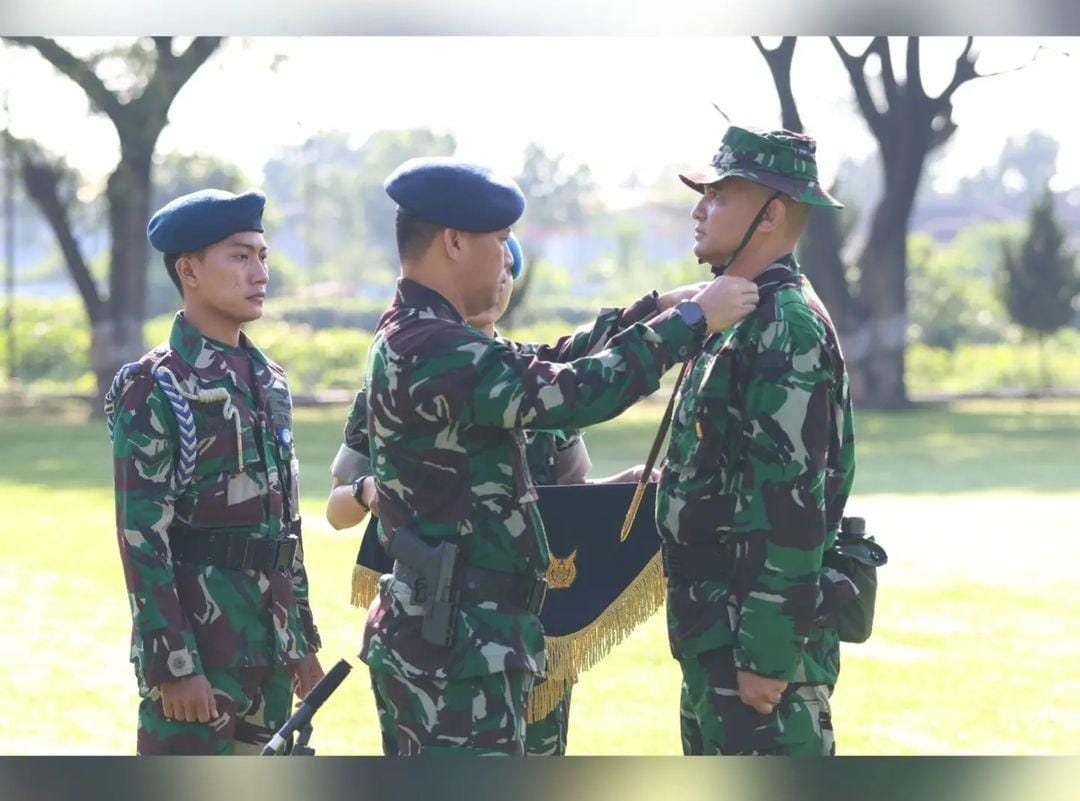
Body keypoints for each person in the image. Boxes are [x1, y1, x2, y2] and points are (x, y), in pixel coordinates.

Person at [358, 156, 758, 755]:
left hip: (466, 636)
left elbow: (549, 359)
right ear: (455, 242)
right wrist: (692, 323)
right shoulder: (431, 346)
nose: (507, 255)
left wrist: (656, 309)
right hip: (453, 648)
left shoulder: (432, 335)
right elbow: (571, 393)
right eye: (501, 239)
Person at [326, 234, 655, 756]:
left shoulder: (534, 378)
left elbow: (569, 497)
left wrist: (629, 487)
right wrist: (371, 491)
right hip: (451, 620)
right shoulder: (408, 367)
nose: (501, 283)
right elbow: (336, 506)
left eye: (510, 274)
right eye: (495, 269)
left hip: (534, 629)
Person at [655, 126, 857, 756]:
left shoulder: (783, 327)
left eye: (718, 196)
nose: (698, 210)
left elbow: (792, 504)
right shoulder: (738, 316)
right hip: (717, 638)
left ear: (770, 213)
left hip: (757, 661)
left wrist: (766, 657)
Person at [106, 189, 323, 755]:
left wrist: (301, 640)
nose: (259, 272)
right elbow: (141, 536)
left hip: (270, 652)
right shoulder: (155, 385)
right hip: (202, 655)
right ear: (189, 270)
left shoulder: (268, 380)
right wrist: (173, 663)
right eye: (239, 256)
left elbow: (285, 527)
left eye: (263, 255)